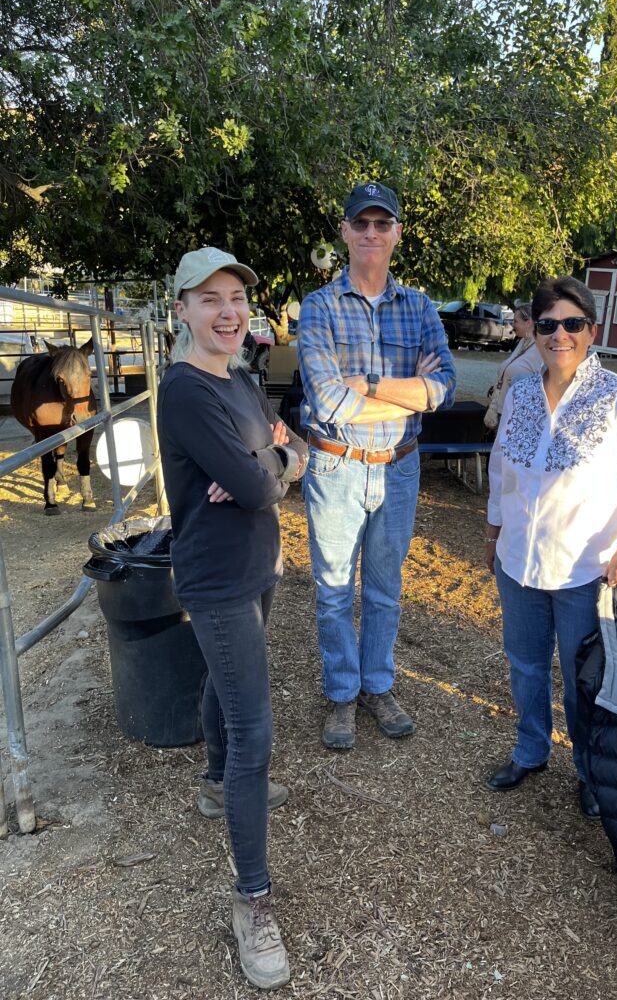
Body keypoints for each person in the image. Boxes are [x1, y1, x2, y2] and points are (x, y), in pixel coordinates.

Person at [158, 247, 308, 991]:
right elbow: (257, 483)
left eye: (237, 298)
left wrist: (270, 462)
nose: (227, 311)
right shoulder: (186, 391)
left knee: (226, 687)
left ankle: (214, 783)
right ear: (180, 307)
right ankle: (252, 899)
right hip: (216, 577)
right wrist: (263, 469)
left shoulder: (243, 378)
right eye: (209, 298)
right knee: (258, 730)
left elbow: (291, 453)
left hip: (258, 562)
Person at [483, 275, 617, 819]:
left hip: (585, 572)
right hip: (518, 563)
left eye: (571, 324)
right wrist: (494, 533)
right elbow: (501, 470)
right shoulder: (520, 391)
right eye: (546, 324)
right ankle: (530, 750)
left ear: (590, 332)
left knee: (583, 681)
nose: (558, 334)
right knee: (524, 665)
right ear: (534, 331)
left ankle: (590, 771)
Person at [298, 181, 456, 750]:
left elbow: (444, 388)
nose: (370, 233)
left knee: (385, 590)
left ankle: (377, 685)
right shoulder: (317, 306)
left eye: (381, 224)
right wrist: (408, 393)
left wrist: (365, 384)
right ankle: (342, 692)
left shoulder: (419, 306)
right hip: (336, 468)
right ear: (344, 232)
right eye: (360, 223)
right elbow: (326, 404)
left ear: (396, 234)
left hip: (399, 467)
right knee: (336, 589)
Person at [483, 304, 539, 431]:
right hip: (503, 410)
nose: (513, 325)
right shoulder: (523, 343)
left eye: (515, 321)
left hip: (516, 416)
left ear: (528, 322)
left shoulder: (540, 348)